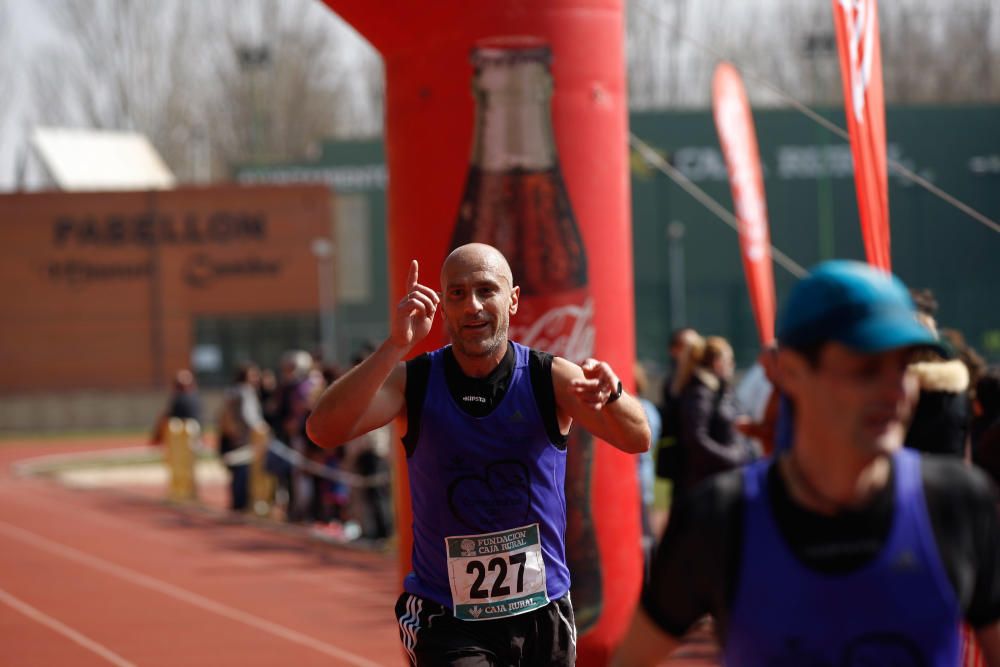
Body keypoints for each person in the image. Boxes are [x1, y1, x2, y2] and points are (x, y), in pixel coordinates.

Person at [615, 260, 1000, 666]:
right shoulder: (721, 517)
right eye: (867, 369)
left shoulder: (958, 502)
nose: (896, 391)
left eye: (903, 366)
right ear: (791, 371)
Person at [306, 243, 650, 666]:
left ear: (513, 299)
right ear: (443, 305)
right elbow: (323, 430)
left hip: (543, 612)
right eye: (457, 293)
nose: (472, 306)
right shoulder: (413, 383)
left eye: (486, 291)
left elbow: (637, 438)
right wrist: (394, 345)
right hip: (448, 621)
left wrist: (613, 395)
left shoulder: (550, 377)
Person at [673, 334, 753, 497]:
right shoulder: (700, 394)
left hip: (720, 479)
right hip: (706, 485)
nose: (733, 366)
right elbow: (696, 439)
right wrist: (732, 457)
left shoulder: (720, 392)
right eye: (730, 361)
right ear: (718, 363)